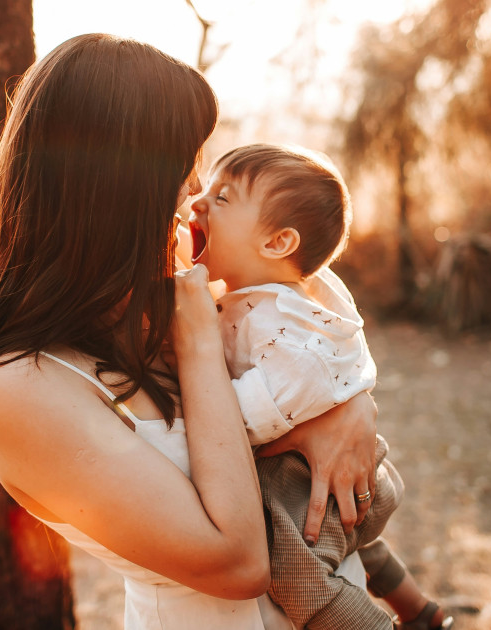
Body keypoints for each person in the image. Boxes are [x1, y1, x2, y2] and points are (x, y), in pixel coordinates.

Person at [0, 34, 380, 629]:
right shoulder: (21, 386)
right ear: (116, 186)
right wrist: (197, 340)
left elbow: (300, 338)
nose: (194, 194)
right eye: (185, 167)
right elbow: (239, 562)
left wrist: (350, 408)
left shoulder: (140, 307)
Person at [186, 143, 453, 630]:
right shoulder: (290, 294)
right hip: (354, 478)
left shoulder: (281, 327)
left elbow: (242, 423)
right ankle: (421, 612)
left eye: (222, 198)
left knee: (294, 568)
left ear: (277, 243)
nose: (198, 202)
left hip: (314, 477)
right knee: (355, 543)